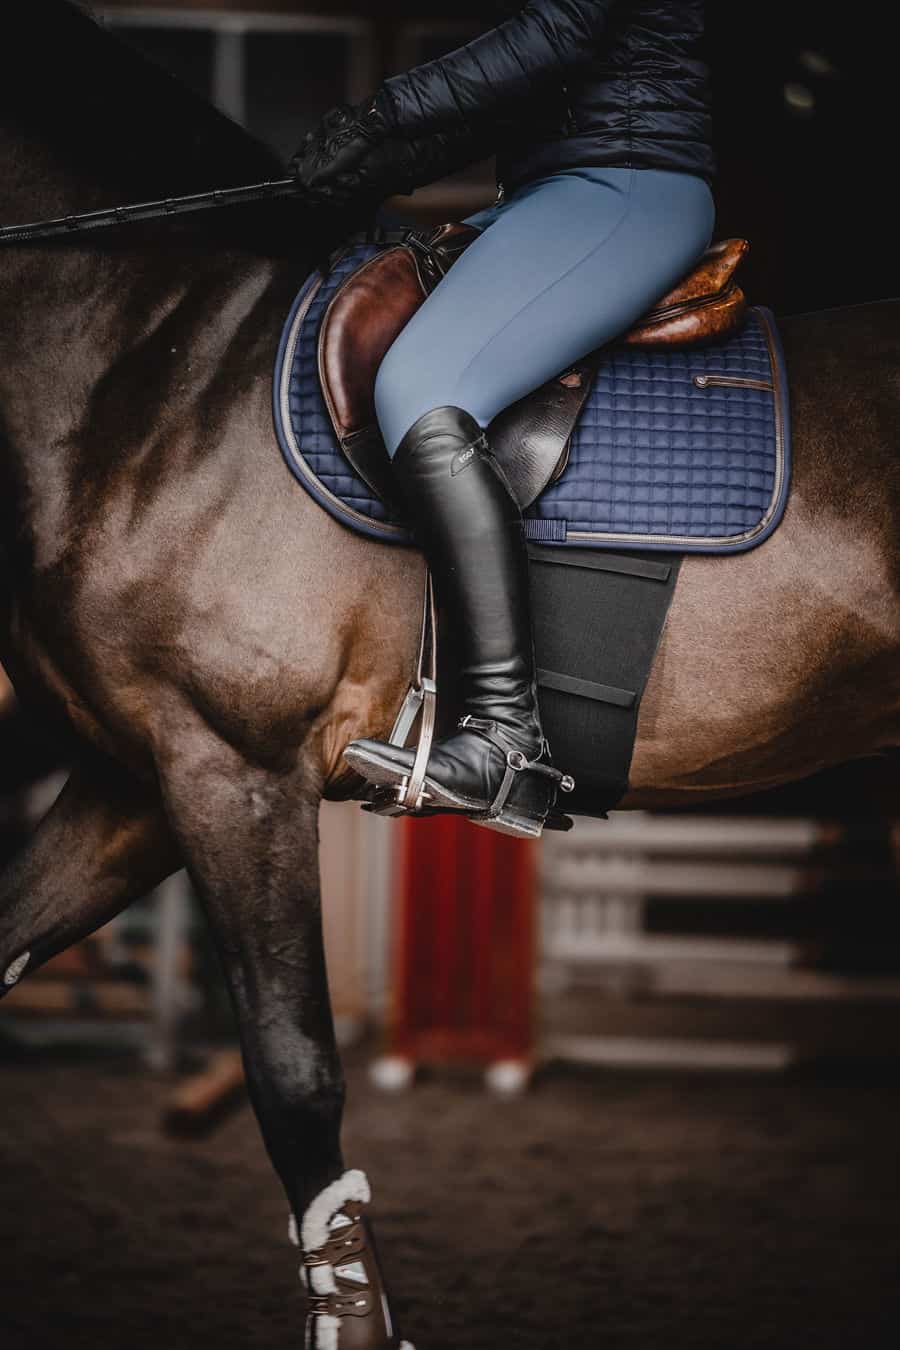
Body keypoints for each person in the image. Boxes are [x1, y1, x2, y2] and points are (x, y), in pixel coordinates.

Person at [292, 1, 715, 838]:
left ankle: (505, 741)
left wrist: (380, 116)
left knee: (423, 388)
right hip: (549, 190)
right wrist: (383, 163)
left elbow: (560, 32)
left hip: (627, 181)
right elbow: (527, 92)